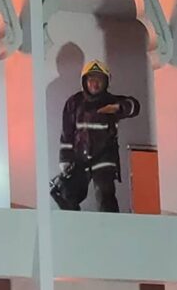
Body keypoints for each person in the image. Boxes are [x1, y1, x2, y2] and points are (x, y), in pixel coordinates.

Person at [53, 60, 140, 212]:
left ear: (106, 82)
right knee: (69, 196)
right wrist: (65, 159)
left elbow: (134, 106)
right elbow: (67, 134)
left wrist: (118, 107)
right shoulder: (74, 103)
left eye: (99, 79)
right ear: (84, 81)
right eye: (91, 79)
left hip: (104, 158)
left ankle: (109, 225)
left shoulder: (111, 101)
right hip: (79, 158)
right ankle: (73, 225)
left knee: (105, 196)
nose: (95, 83)